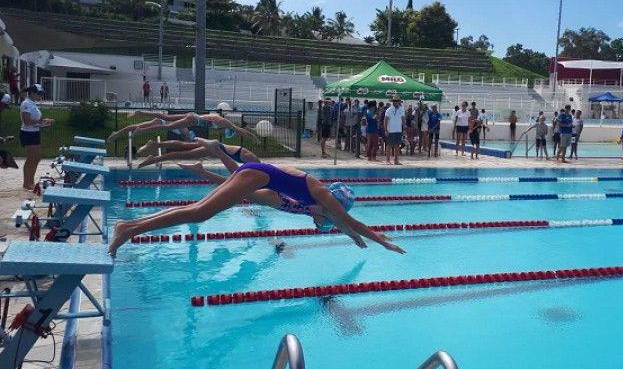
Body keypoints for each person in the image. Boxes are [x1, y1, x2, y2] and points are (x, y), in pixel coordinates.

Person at [108, 159, 406, 257]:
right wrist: (380, 241)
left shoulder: (300, 207)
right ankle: (128, 229)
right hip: (255, 172)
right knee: (199, 213)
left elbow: (255, 196)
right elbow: (351, 223)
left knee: (199, 209)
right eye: (323, 223)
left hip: (253, 179)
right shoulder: (323, 199)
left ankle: (130, 227)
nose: (319, 226)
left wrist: (353, 236)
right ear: (331, 210)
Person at [109, 110, 258, 142]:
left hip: (192, 116)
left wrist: (250, 132)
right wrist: (254, 138)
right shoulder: (225, 123)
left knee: (165, 117)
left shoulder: (221, 122)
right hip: (193, 120)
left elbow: (241, 130)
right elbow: (241, 131)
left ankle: (139, 112)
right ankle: (141, 130)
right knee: (167, 126)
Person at [136, 138, 259, 168]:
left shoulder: (254, 161)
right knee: (185, 153)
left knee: (184, 147)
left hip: (217, 148)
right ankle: (154, 157)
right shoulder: (253, 162)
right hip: (217, 147)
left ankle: (155, 147)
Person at [19, 84, 53, 190]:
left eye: (41, 94)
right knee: (31, 158)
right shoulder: (26, 104)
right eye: (39, 94)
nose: (40, 96)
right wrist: (41, 122)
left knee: (37, 158)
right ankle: (27, 182)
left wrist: (44, 122)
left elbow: (35, 121)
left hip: (35, 132)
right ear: (32, 93)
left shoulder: (32, 104)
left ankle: (31, 181)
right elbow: (27, 121)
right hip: (28, 133)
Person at [384, 95, 405, 165]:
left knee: (397, 146)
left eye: (397, 101)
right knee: (389, 145)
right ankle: (387, 160)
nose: (395, 102)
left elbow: (403, 119)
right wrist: (386, 130)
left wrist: (404, 129)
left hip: (398, 130)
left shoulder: (401, 109)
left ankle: (396, 160)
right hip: (391, 130)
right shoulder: (389, 110)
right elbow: (385, 121)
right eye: (394, 101)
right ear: (393, 102)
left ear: (399, 102)